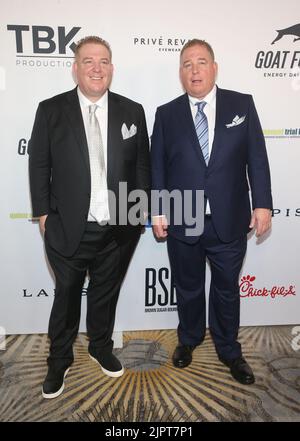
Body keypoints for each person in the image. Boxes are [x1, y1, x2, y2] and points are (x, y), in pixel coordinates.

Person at [29, 36, 150, 399]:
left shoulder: (133, 110)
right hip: (68, 227)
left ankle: (100, 346)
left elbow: (142, 164)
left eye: (103, 61)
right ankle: (59, 358)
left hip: (118, 228)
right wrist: (43, 214)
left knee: (104, 294)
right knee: (66, 295)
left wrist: (139, 212)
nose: (97, 68)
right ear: (75, 68)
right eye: (88, 61)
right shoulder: (50, 110)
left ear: (112, 68)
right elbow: (39, 165)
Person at [151, 39, 272, 385]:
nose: (194, 70)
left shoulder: (242, 104)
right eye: (187, 64)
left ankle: (229, 350)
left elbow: (257, 160)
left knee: (226, 288)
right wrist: (158, 208)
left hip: (230, 218)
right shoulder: (166, 113)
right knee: (187, 286)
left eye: (201, 62)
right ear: (180, 73)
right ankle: (188, 339)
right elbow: (157, 166)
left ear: (214, 68)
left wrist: (262, 203)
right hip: (182, 217)